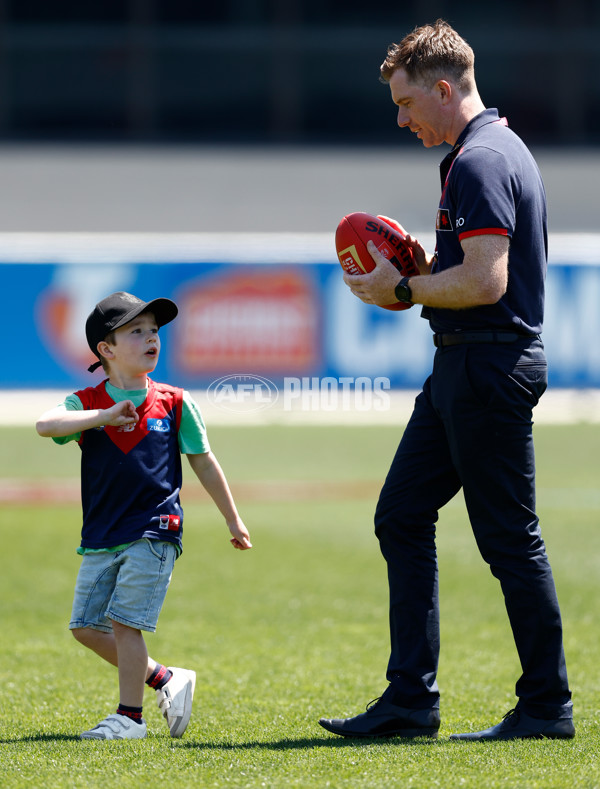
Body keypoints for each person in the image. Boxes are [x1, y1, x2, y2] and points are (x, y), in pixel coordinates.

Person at [319, 20, 574, 741]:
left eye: (406, 103)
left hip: (487, 365)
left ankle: (547, 706)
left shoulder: (481, 160)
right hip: (464, 364)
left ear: (442, 87)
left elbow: (487, 282)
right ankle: (410, 701)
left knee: (509, 541)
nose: (401, 119)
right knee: (401, 514)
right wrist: (418, 271)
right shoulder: (483, 152)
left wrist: (402, 291)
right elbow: (464, 272)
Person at [36, 291, 252, 741]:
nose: (151, 338)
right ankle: (165, 678)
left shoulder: (175, 401)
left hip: (155, 531)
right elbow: (47, 424)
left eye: (154, 330)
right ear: (106, 350)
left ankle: (129, 718)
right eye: (136, 331)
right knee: (84, 628)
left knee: (124, 623)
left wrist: (233, 519)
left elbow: (204, 461)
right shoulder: (87, 401)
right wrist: (103, 416)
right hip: (100, 535)